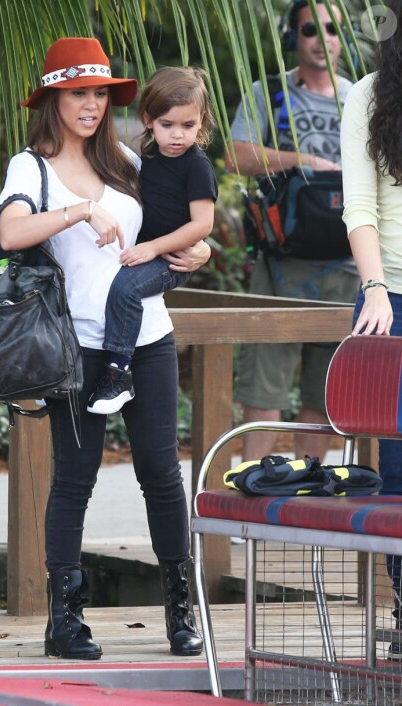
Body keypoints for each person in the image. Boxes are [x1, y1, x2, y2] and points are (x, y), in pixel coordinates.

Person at [0, 37, 210, 661]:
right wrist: (79, 211)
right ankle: (64, 620)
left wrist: (199, 252)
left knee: (161, 476)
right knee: (74, 480)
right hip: (78, 346)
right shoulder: (29, 166)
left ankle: (180, 610)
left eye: (98, 93)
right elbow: (11, 233)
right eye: (77, 93)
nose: (90, 105)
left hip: (149, 337)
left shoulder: (127, 157)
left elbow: (184, 225)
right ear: (52, 99)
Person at [224, 0, 359, 464]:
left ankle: (307, 500)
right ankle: (252, 497)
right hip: (281, 266)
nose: (322, 40)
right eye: (309, 30)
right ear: (292, 37)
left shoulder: (360, 98)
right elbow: (235, 157)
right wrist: (301, 160)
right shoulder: (271, 93)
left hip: (346, 266)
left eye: (332, 29)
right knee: (263, 389)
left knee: (324, 399)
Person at [86, 66, 217, 415]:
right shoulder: (147, 156)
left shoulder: (197, 166)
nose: (178, 135)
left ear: (201, 122)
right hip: (150, 249)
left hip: (170, 257)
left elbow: (203, 224)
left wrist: (154, 248)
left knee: (126, 289)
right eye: (167, 125)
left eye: (188, 126)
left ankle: (118, 373)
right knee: (120, 283)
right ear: (148, 120)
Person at [341, 0, 402, 659]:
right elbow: (359, 208)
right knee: (399, 466)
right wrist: (375, 288)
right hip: (395, 296)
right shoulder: (367, 96)